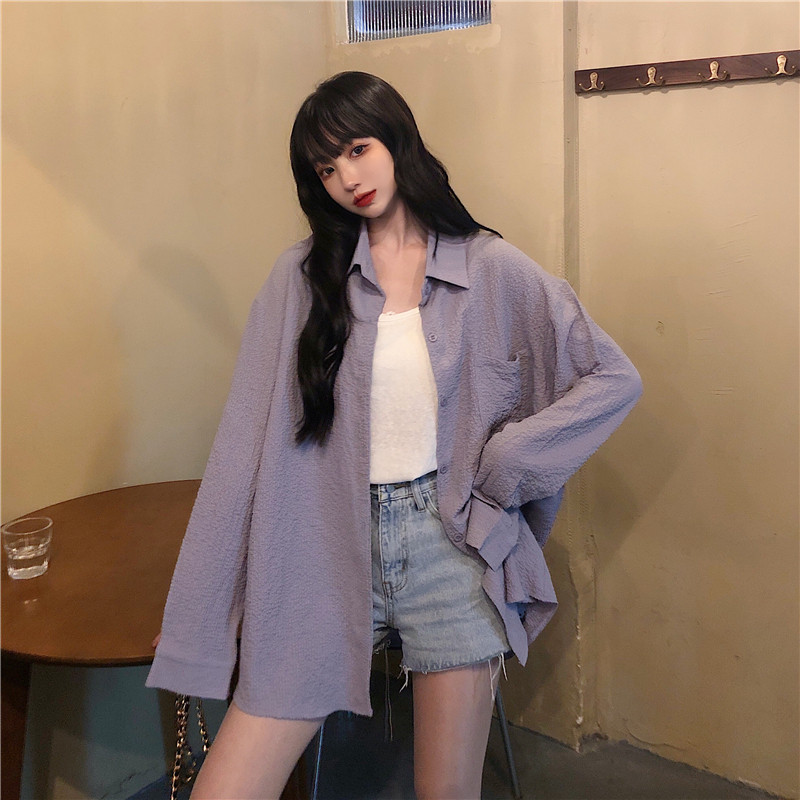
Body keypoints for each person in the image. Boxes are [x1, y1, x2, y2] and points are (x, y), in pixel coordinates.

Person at [147, 71, 642, 799]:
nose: (348, 178)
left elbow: (612, 377)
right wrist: (198, 612)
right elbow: (239, 450)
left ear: (397, 139)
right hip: (319, 549)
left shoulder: (489, 267)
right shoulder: (298, 280)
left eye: (357, 149)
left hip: (449, 550)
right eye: (326, 168)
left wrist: (508, 463)